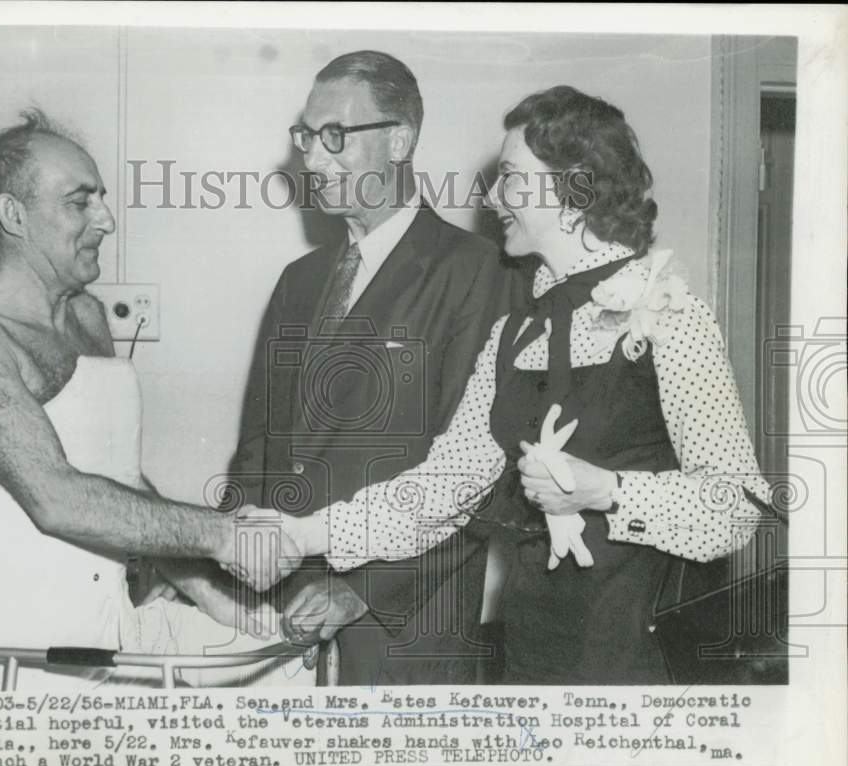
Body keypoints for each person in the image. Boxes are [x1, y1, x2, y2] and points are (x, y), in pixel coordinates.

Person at [284, 85, 772, 684]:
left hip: (639, 657)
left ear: (574, 192)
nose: (491, 198)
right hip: (534, 651)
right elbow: (440, 489)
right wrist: (302, 533)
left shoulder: (668, 313)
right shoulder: (514, 335)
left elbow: (738, 509)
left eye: (511, 178)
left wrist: (606, 491)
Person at [0, 110, 297, 691]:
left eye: (102, 199)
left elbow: (116, 482)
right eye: (80, 202)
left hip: (99, 641)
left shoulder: (88, 317)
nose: (107, 220)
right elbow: (57, 496)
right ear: (14, 215)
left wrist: (207, 589)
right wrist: (223, 535)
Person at [222, 51, 518, 685]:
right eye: (306, 136)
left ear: (399, 141)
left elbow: (477, 476)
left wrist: (359, 592)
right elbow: (259, 448)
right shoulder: (297, 283)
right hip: (284, 625)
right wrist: (240, 568)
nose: (312, 157)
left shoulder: (476, 271)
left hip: (406, 628)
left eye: (336, 136)